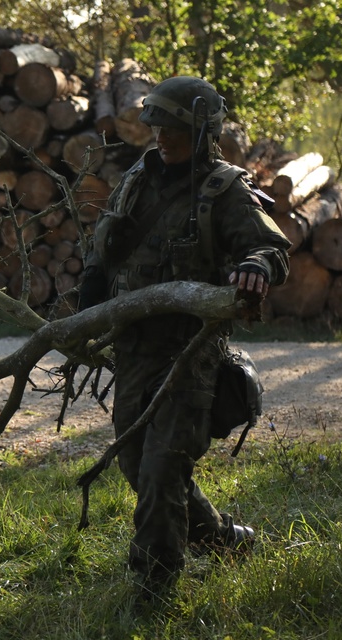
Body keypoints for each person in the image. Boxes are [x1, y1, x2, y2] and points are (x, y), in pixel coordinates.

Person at [78, 76, 291, 596]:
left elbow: (271, 250)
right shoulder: (137, 178)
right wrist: (86, 309)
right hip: (133, 348)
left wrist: (255, 268)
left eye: (174, 127)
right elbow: (103, 253)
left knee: (161, 469)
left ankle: (154, 584)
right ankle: (221, 538)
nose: (162, 136)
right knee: (135, 460)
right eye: (157, 125)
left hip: (190, 352)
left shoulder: (225, 188)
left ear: (202, 131)